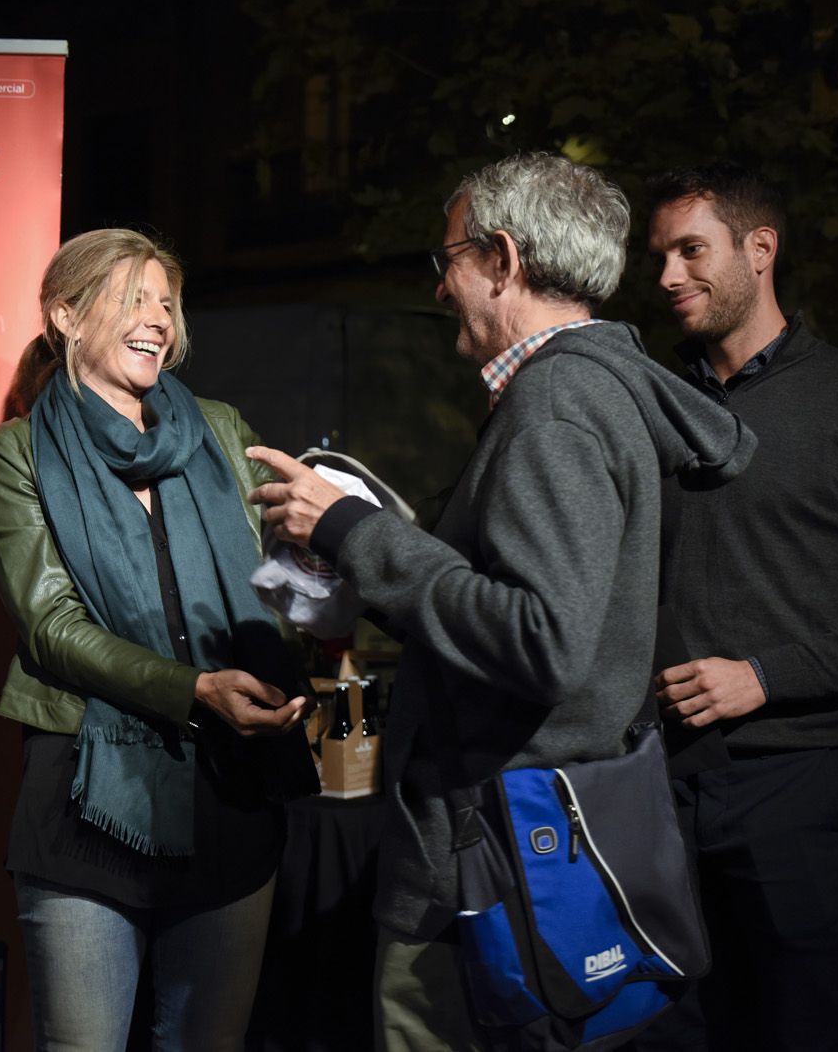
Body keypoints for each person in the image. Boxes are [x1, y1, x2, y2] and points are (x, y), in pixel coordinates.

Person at [249, 151, 754, 1049]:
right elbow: (524, 609)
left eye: (448, 260)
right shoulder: (582, 391)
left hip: (495, 865)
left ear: (504, 259)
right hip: (529, 845)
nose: (441, 287)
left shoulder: (556, 402)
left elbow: (544, 640)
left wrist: (354, 531)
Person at [636, 163, 838, 1051]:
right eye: (659, 253)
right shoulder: (647, 400)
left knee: (804, 1029)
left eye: (689, 250)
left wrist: (764, 676)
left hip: (793, 786)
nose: (667, 275)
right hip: (650, 783)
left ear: (761, 249)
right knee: (662, 1033)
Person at [0, 228, 317, 1050]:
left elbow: (278, 594)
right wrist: (192, 690)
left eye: (166, 302)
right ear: (65, 313)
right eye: (133, 297)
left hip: (232, 794)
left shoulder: (222, 429)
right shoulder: (17, 452)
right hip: (90, 806)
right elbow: (52, 629)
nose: (157, 318)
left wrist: (318, 561)